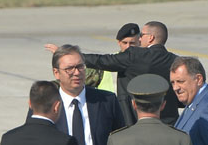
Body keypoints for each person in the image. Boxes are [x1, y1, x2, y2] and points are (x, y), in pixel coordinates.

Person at [48, 21, 180, 126]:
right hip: (169, 122)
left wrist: (70, 56)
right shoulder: (175, 60)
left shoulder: (134, 55)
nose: (139, 39)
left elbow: (103, 61)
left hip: (134, 121)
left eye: (142, 35)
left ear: (151, 38)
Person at [84, 23, 140, 118]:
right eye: (125, 43)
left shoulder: (143, 61)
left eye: (132, 43)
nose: (128, 47)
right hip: (108, 111)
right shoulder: (107, 61)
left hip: (133, 112)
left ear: (139, 42)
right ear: (119, 42)